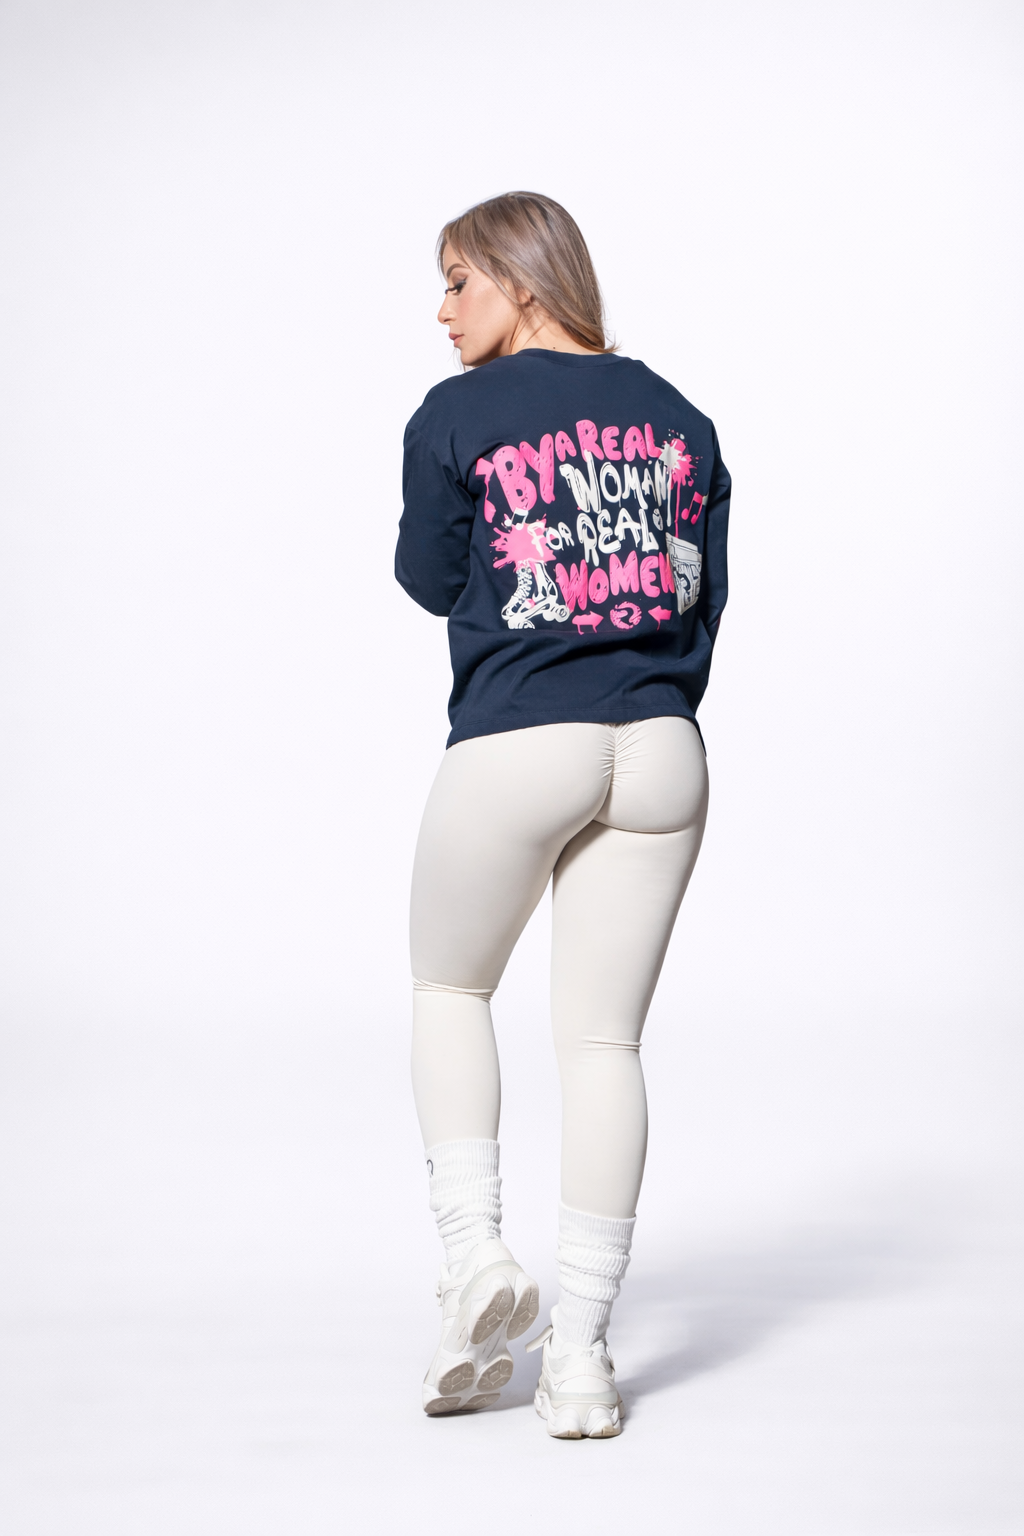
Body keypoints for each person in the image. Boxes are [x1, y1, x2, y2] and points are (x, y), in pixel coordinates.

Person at [395, 191, 730, 1438]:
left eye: (457, 282)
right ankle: (580, 1359)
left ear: (523, 281)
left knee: (451, 986)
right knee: (603, 1046)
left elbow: (428, 576)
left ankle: (475, 1260)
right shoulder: (682, 420)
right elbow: (702, 601)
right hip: (662, 750)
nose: (441, 312)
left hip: (521, 736)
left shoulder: (458, 414)